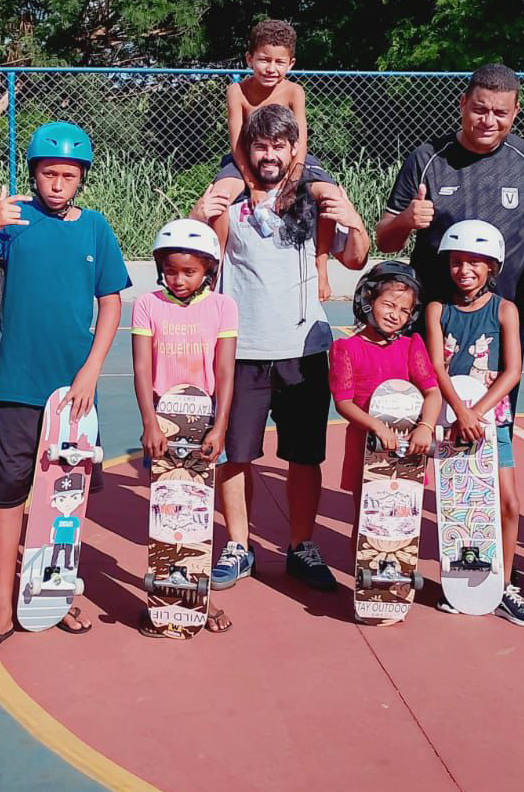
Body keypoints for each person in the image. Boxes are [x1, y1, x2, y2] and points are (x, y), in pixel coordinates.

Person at [0, 121, 131, 659]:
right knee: (8, 494)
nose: (57, 183)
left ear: (82, 179)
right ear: (33, 173)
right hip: (13, 381)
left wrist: (92, 370)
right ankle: (2, 608)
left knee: (64, 500)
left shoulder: (96, 229)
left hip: (74, 389)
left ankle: (53, 593)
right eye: (49, 173)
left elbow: (112, 303)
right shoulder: (14, 220)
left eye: (68, 175)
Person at [194, 103, 371, 593]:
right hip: (241, 348)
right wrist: (198, 215)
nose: (269, 154)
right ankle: (238, 545)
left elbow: (356, 259)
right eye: (260, 145)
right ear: (248, 151)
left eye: (278, 145)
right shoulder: (231, 202)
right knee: (235, 454)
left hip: (303, 349)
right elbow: (198, 256)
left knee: (304, 456)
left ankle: (301, 546)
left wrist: (354, 222)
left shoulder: (313, 203)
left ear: (295, 150)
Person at [375, 62, 524, 323]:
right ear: (463, 103)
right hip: (434, 315)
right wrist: (406, 220)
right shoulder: (426, 158)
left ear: (515, 111)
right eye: (480, 110)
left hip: (504, 317)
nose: (489, 121)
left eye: (500, 112)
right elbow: (385, 241)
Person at [421, 220, 524, 626]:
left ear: (493, 266)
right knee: (458, 504)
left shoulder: (505, 309)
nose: (465, 270)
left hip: (491, 422)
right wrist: (458, 410)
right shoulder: (437, 309)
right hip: (451, 421)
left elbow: (512, 370)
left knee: (508, 502)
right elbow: (437, 365)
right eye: (457, 262)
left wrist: (478, 411)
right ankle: (460, 580)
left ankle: (504, 583)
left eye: (475, 262)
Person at [131, 218, 237, 632]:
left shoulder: (223, 306)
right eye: (171, 270)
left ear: (208, 269)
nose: (178, 279)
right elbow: (141, 368)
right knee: (166, 513)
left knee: (196, 514)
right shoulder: (147, 304)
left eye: (189, 271)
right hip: (163, 420)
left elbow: (225, 370)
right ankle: (163, 597)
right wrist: (149, 423)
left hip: (205, 420)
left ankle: (198, 600)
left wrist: (220, 426)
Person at [203, 19, 342, 300]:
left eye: (279, 62)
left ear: (290, 64)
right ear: (249, 58)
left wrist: (291, 183)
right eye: (264, 60)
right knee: (219, 196)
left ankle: (322, 265)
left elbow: (300, 142)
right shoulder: (237, 92)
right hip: (247, 157)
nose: (271, 68)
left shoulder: (294, 91)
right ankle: (214, 268)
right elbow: (237, 142)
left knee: (329, 196)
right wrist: (252, 185)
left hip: (291, 159)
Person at [329, 261, 441, 556]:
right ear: (368, 301)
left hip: (408, 447)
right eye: (389, 305)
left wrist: (425, 427)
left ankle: (398, 567)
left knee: (403, 513)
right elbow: (343, 402)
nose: (395, 315)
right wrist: (376, 426)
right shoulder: (346, 348)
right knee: (369, 514)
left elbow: (432, 392)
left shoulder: (411, 346)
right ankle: (363, 571)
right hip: (366, 444)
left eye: (405, 311)